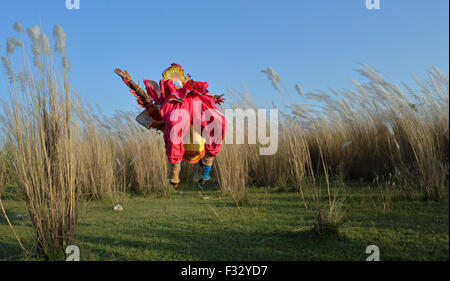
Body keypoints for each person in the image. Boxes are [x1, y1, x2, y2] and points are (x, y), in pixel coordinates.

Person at [114, 64, 226, 187]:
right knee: (175, 131)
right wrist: (129, 81)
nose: (175, 85)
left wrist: (213, 99)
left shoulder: (191, 97)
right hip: (179, 135)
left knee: (217, 124)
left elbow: (205, 99)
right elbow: (144, 98)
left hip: (194, 135)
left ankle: (204, 174)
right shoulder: (164, 104)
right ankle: (175, 178)